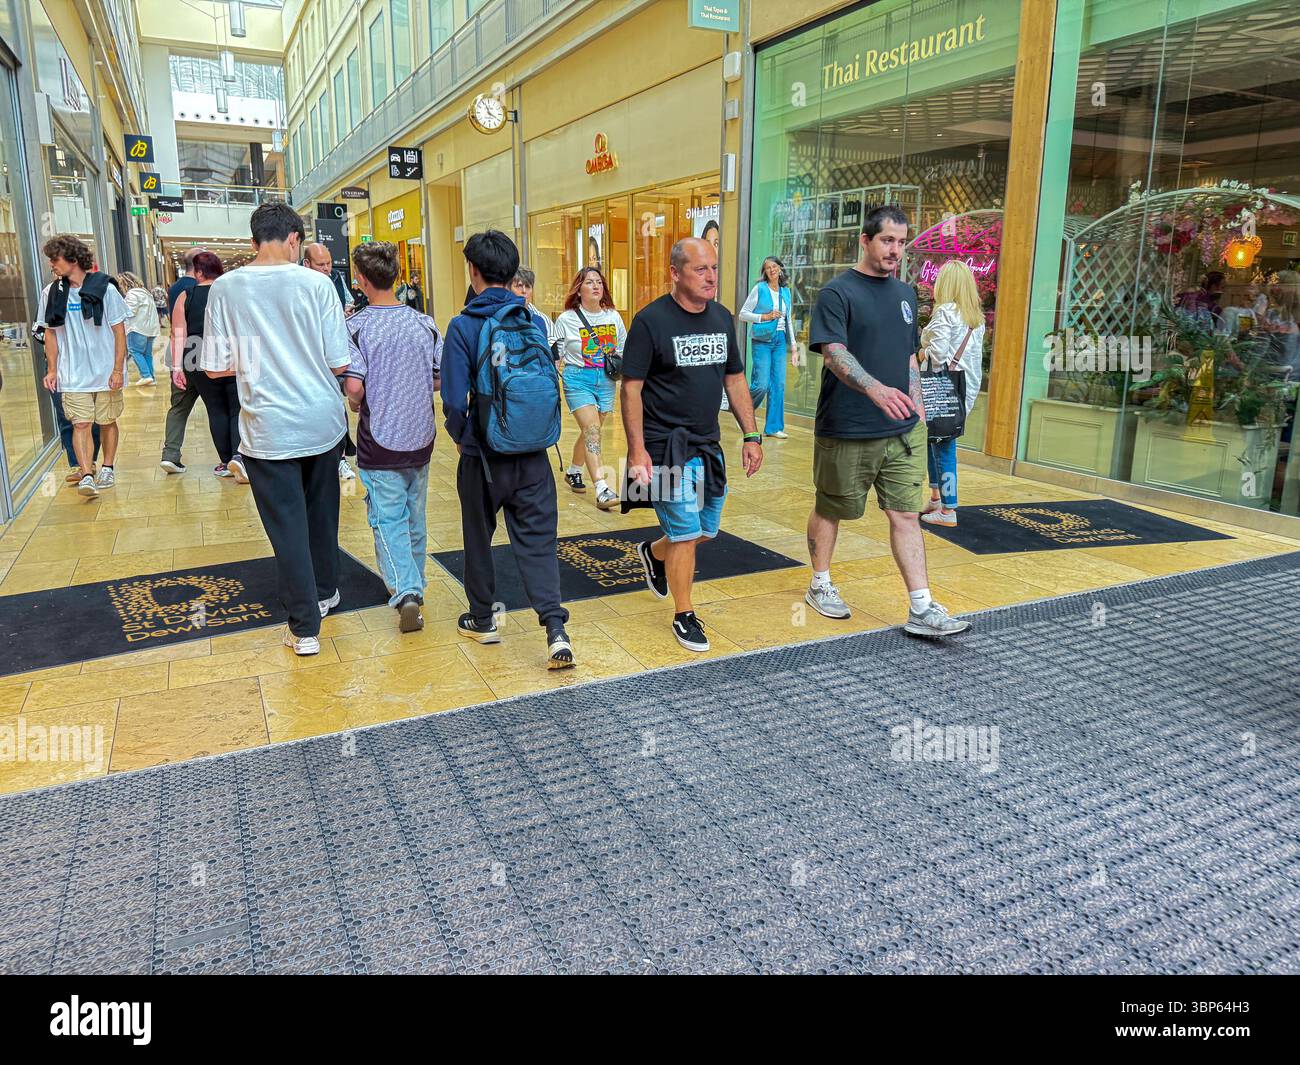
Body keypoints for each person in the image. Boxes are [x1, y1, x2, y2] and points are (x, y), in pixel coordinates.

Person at [804, 204, 970, 638]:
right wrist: (875, 390)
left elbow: (907, 355)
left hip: (902, 431)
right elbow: (834, 353)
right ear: (866, 241)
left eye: (901, 241)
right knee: (832, 507)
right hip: (847, 426)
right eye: (887, 241)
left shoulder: (905, 294)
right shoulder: (837, 294)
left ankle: (921, 606)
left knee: (906, 515)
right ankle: (820, 583)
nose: (895, 250)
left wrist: (918, 407)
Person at [200, 201, 351, 657]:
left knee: (287, 525)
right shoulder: (318, 285)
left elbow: (215, 367)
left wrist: (257, 360)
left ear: (252, 241)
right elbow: (339, 360)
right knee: (322, 515)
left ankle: (304, 628)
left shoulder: (225, 288)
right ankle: (325, 592)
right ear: (293, 240)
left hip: (268, 428)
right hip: (323, 421)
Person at [441, 229, 574, 670]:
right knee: (538, 542)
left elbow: (454, 397)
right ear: (512, 273)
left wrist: (460, 436)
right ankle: (556, 630)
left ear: (474, 271)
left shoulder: (463, 325)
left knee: (479, 538)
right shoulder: (533, 322)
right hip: (533, 453)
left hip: (483, 458)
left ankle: (483, 619)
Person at [622, 237, 763, 653]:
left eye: (714, 268)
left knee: (705, 530)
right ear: (675, 273)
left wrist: (751, 434)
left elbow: (735, 379)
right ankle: (684, 614)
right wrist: (637, 450)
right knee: (685, 534)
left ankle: (653, 552)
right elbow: (632, 389)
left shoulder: (721, 318)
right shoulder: (650, 322)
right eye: (701, 269)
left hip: (707, 445)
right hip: (665, 447)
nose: (711, 277)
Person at [342, 242, 442, 633]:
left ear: (363, 281)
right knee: (415, 515)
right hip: (421, 436)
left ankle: (405, 591)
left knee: (387, 518)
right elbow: (437, 377)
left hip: (379, 440)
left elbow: (355, 388)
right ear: (398, 277)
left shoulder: (357, 327)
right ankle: (416, 581)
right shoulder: (424, 323)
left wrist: (358, 400)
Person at [36, 235, 128, 498]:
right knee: (81, 424)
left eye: (55, 259)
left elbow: (119, 331)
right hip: (72, 373)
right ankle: (88, 473)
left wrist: (118, 369)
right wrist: (52, 369)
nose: (52, 265)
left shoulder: (106, 289)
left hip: (105, 370)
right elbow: (50, 334)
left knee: (108, 421)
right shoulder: (51, 293)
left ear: (73, 259)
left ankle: (107, 466)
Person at [918, 260, 985, 528]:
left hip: (942, 388)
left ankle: (948, 509)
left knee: (943, 446)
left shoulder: (945, 311)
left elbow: (938, 356)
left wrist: (919, 353)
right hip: (963, 389)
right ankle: (936, 498)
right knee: (936, 440)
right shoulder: (974, 319)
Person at [553, 266, 626, 510]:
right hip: (577, 379)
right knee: (593, 431)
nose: (596, 286)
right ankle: (602, 488)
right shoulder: (567, 319)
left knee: (590, 430)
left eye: (599, 282)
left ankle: (574, 471)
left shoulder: (613, 316)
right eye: (589, 282)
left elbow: (623, 348)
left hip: (606, 381)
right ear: (579, 289)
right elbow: (557, 353)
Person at [174, 251, 246, 482]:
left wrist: (177, 367)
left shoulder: (186, 295)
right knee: (237, 408)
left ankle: (225, 461)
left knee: (216, 409)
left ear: (198, 272)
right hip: (231, 352)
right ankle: (239, 456)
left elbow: (178, 334)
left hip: (197, 356)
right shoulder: (231, 292)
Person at [304, 242, 359, 480]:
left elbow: (347, 300)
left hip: (334, 354)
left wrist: (343, 311)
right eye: (321, 264)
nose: (327, 268)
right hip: (309, 359)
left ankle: (340, 458)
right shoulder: (300, 286)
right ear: (307, 264)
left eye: (329, 263)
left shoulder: (335, 278)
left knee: (337, 406)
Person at [739, 256, 797, 439]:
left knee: (778, 384)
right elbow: (743, 314)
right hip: (762, 340)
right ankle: (743, 414)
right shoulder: (759, 289)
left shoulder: (786, 292)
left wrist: (794, 346)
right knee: (761, 384)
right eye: (768, 268)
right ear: (765, 272)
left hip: (779, 340)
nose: (772, 270)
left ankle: (773, 427)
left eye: (774, 266)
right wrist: (764, 317)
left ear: (780, 268)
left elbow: (788, 322)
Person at [160, 249, 203, 474]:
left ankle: (170, 454)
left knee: (178, 406)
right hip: (201, 351)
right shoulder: (205, 286)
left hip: (178, 352)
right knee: (219, 408)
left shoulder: (174, 288)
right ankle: (230, 457)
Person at [117, 271, 158, 387]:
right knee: (147, 354)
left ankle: (146, 375)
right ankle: (151, 377)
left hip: (137, 328)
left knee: (135, 351)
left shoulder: (132, 294)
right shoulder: (146, 293)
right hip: (151, 329)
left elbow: (130, 311)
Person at [510, 266, 556, 355]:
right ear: (509, 288)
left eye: (528, 286)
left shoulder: (543, 321)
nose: (524, 291)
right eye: (519, 286)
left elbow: (554, 359)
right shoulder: (501, 317)